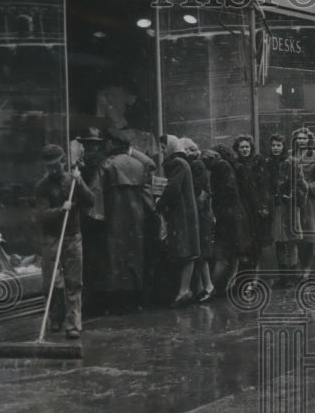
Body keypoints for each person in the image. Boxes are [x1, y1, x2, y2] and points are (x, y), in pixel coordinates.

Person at [35, 143, 95, 338]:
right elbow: (42, 214)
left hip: (73, 236)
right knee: (52, 282)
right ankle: (55, 318)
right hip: (51, 238)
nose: (53, 169)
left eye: (56, 165)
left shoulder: (72, 180)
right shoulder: (42, 186)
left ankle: (73, 325)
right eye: (48, 166)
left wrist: (80, 182)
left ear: (63, 161)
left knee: (74, 282)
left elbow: (91, 201)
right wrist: (62, 209)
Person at [99, 131, 156, 312]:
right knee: (134, 257)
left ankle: (116, 302)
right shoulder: (139, 165)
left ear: (113, 144)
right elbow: (147, 198)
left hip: (114, 218)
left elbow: (97, 195)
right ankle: (133, 301)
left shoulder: (107, 164)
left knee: (114, 260)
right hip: (136, 219)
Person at [156, 135, 200, 306]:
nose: (161, 151)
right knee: (188, 252)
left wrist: (159, 202)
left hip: (181, 215)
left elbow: (172, 189)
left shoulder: (177, 164)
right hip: (186, 214)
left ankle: (184, 290)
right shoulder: (183, 163)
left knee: (185, 252)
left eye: (163, 147)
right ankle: (184, 290)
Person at [203, 145, 251, 292]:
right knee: (234, 252)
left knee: (222, 254)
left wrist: (214, 200)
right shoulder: (224, 165)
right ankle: (229, 283)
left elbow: (228, 190)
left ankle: (213, 288)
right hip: (233, 215)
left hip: (228, 216)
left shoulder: (221, 167)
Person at [266, 133, 307, 273]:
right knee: (279, 240)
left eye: (278, 145)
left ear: (283, 146)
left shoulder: (292, 162)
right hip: (276, 206)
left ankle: (293, 273)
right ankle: (284, 274)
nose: (275, 148)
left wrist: (293, 196)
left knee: (291, 240)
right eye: (273, 145)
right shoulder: (268, 163)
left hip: (289, 206)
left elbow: (302, 184)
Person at [182, 138, 215, 303]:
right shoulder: (195, 164)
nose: (185, 153)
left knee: (200, 251)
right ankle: (202, 287)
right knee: (200, 251)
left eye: (187, 149)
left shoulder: (195, 165)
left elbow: (196, 189)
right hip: (202, 213)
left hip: (201, 214)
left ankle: (208, 286)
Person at [232, 134, 272, 271]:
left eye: (247, 147)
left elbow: (265, 185)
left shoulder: (258, 162)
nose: (244, 150)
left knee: (258, 242)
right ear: (237, 149)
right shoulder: (235, 165)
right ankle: (247, 274)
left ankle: (258, 273)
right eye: (241, 147)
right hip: (244, 206)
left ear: (251, 148)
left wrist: (264, 205)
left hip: (257, 206)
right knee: (246, 242)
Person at [291, 127, 315, 274]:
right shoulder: (290, 155)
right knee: (297, 234)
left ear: (310, 140)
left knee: (310, 235)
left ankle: (308, 267)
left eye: (304, 139)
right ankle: (300, 263)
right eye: (299, 138)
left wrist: (309, 187)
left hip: (310, 201)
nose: (301, 141)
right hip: (294, 201)